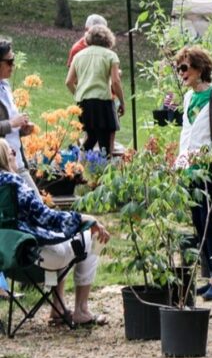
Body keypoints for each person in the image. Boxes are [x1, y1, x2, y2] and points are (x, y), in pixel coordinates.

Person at [0, 138, 110, 325]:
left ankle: (58, 309)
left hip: (9, 260)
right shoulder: (14, 184)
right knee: (93, 236)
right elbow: (48, 217)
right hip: (34, 259)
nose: (15, 153)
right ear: (3, 157)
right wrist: (84, 218)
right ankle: (81, 310)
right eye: (11, 151)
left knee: (61, 238)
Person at [174, 46, 212, 301]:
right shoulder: (189, 98)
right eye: (179, 68)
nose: (181, 73)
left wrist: (206, 153)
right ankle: (211, 275)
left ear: (200, 68)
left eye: (185, 67)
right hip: (191, 171)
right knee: (199, 223)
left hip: (210, 170)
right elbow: (186, 133)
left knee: (211, 222)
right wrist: (180, 161)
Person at [65, 25, 125, 156]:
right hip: (103, 102)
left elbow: (69, 82)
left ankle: (78, 164)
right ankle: (102, 171)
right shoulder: (111, 56)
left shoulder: (78, 56)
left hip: (83, 103)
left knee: (91, 137)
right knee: (105, 143)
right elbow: (115, 82)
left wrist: (78, 94)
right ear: (108, 39)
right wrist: (122, 101)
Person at [0, 39, 37, 192]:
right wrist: (13, 123)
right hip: (3, 167)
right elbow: (9, 123)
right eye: (9, 61)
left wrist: (22, 129)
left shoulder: (5, 86)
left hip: (17, 162)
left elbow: (10, 125)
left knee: (37, 207)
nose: (13, 65)